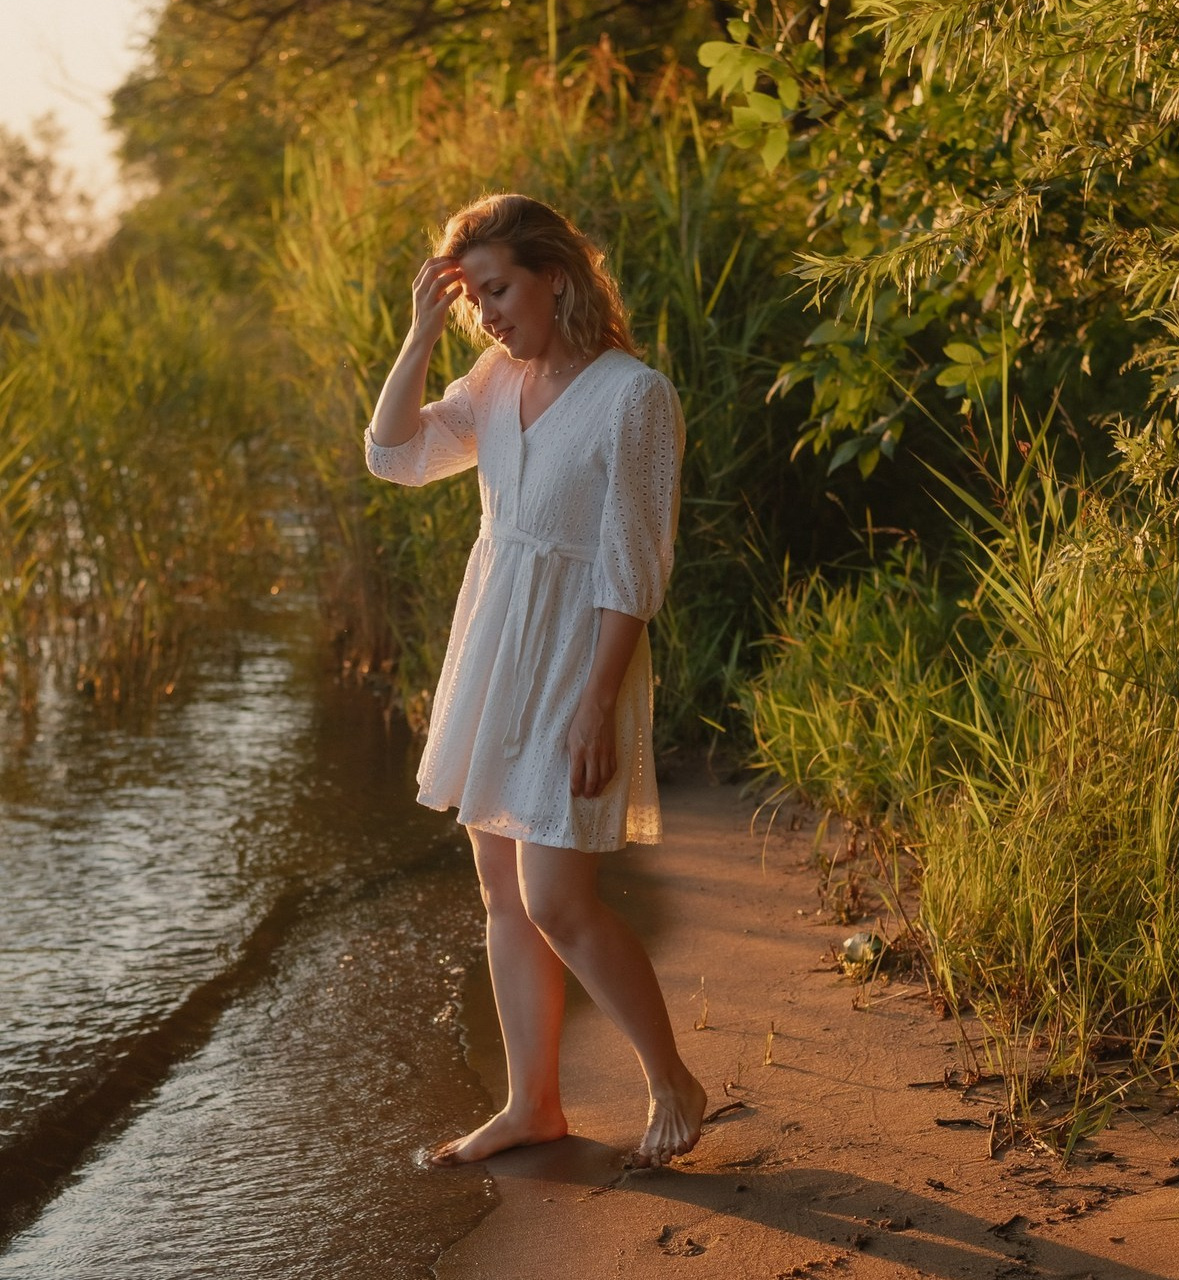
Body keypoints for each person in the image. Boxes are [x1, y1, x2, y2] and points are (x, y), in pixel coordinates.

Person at [364, 193, 706, 1168]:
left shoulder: (632, 396)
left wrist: (599, 699)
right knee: (502, 894)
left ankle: (669, 1078)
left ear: (558, 272)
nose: (488, 313)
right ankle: (533, 1103)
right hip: (493, 653)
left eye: (498, 289)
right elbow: (393, 454)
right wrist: (420, 334)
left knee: (558, 896)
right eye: (472, 298)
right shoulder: (491, 376)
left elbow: (632, 567)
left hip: (574, 659)